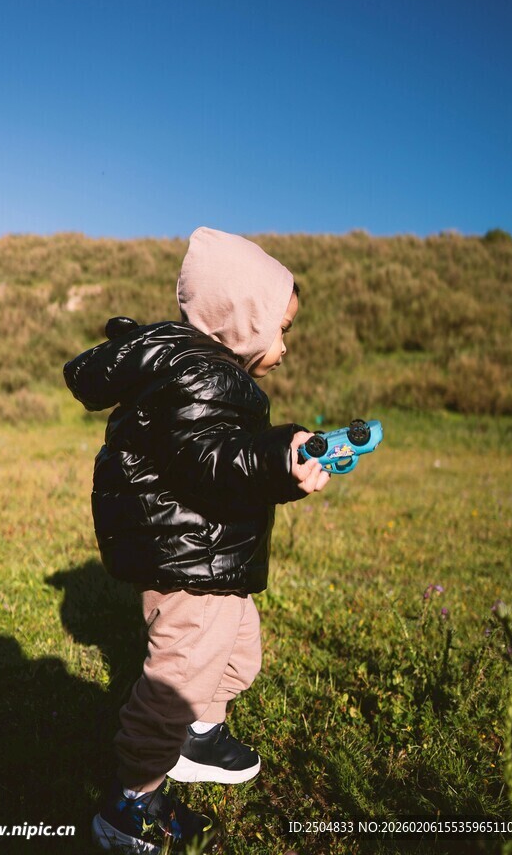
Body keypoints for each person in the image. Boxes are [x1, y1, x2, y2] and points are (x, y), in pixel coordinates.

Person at [63, 226, 331, 854]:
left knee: (239, 655)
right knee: (176, 682)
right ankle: (130, 804)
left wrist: (279, 449)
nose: (286, 346)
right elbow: (214, 460)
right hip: (188, 564)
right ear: (241, 319)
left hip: (211, 557)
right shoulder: (198, 377)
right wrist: (274, 464)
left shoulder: (209, 379)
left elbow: (223, 450)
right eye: (281, 328)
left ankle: (200, 737)